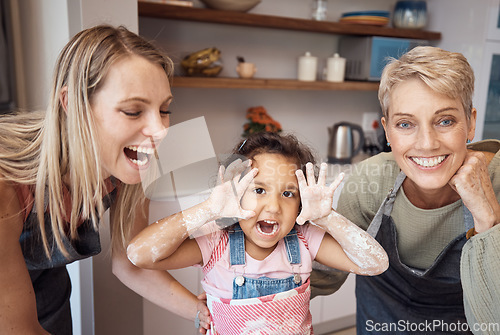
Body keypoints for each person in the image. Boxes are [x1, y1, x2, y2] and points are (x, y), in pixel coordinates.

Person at [0, 25, 210, 334]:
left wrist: (204, 313)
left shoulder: (131, 161)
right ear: (72, 105)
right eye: (133, 111)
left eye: (164, 109)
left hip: (47, 288)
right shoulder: (7, 183)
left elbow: (129, 262)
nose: (162, 130)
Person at [311, 46, 500, 334]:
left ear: (471, 122)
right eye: (405, 124)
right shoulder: (371, 181)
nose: (426, 143)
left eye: (445, 121)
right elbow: (320, 276)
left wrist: (488, 222)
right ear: (387, 131)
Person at [127, 131, 389, 334]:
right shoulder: (216, 242)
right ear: (235, 193)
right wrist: (209, 209)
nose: (273, 207)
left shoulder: (305, 239)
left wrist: (327, 218)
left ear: (300, 203)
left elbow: (375, 264)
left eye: (288, 194)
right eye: (259, 190)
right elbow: (139, 255)